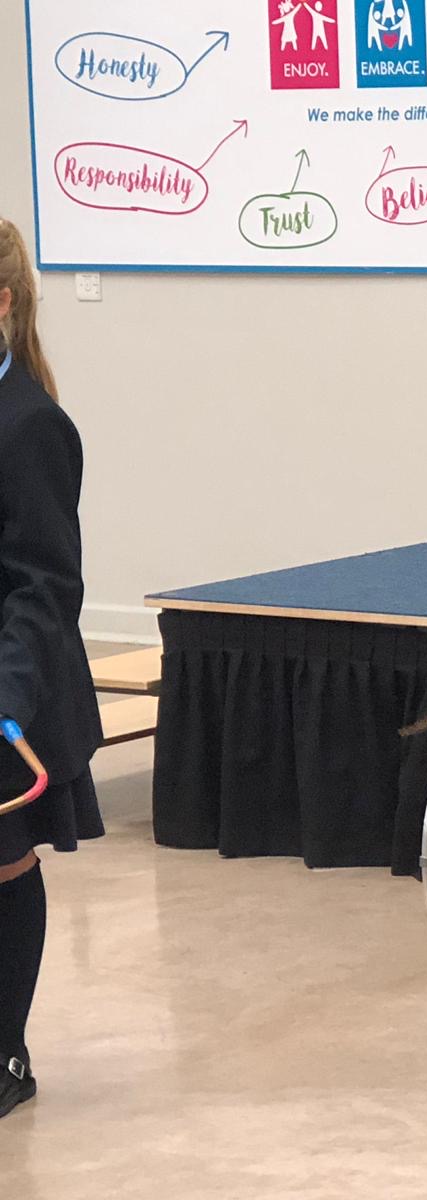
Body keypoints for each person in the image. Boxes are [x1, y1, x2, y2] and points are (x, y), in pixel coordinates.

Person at [0, 217, 104, 1119]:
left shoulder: (31, 426)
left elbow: (44, 584)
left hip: (11, 683)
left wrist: (7, 702)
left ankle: (7, 1057)